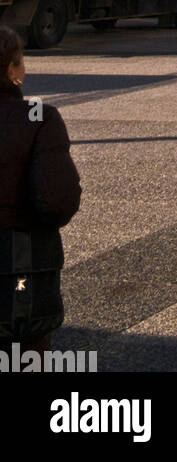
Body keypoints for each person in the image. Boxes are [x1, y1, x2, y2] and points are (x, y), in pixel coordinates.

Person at [0, 25, 81, 352]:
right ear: (11, 70)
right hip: (21, 267)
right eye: (21, 61)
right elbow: (57, 200)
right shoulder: (39, 118)